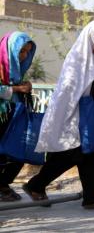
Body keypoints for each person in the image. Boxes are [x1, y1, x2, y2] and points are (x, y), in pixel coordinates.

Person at [23, 19, 94, 210]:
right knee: (71, 156)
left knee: (90, 155)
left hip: (83, 118)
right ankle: (36, 185)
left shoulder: (91, 61)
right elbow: (69, 88)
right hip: (72, 117)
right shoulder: (77, 60)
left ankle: (91, 198)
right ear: (92, 39)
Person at [0, 32, 36, 201]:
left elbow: (15, 85)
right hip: (2, 115)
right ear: (10, 50)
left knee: (17, 151)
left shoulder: (16, 71)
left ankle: (3, 184)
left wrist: (26, 85)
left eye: (28, 52)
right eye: (21, 51)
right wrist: (16, 89)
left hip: (15, 114)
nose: (24, 56)